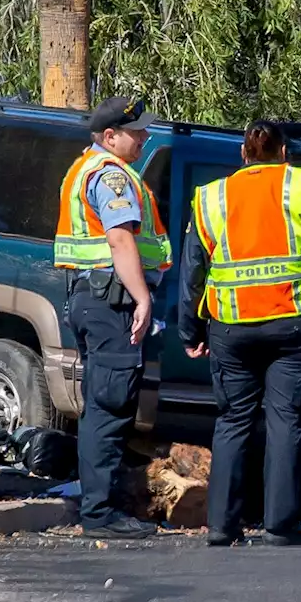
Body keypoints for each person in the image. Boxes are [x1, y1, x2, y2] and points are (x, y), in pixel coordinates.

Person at [178, 120, 301, 547]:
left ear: (243, 156)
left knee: (232, 422)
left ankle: (221, 527)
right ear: (284, 153)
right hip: (295, 323)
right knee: (285, 422)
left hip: (231, 327)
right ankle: (281, 526)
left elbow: (192, 272)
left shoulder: (211, 196)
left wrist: (190, 331)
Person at [54, 96, 172, 539]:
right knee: (109, 404)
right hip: (111, 302)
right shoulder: (110, 177)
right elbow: (121, 241)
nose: (144, 137)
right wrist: (143, 299)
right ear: (109, 137)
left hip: (95, 300)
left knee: (105, 403)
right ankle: (100, 514)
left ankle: (101, 507)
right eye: (136, 131)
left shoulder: (89, 167)